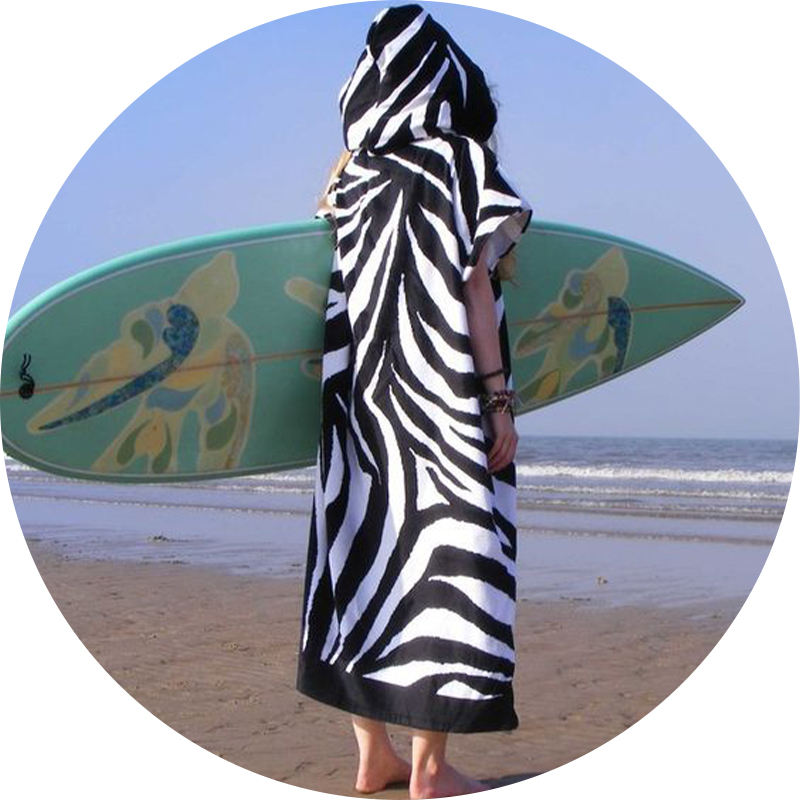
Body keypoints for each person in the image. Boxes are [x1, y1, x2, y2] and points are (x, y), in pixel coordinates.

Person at [296, 5, 531, 797]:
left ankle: (374, 756)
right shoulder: (463, 164)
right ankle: (430, 768)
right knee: (452, 565)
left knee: (364, 559)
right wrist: (497, 400)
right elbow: (474, 285)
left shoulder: (347, 177)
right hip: (443, 405)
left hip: (359, 408)